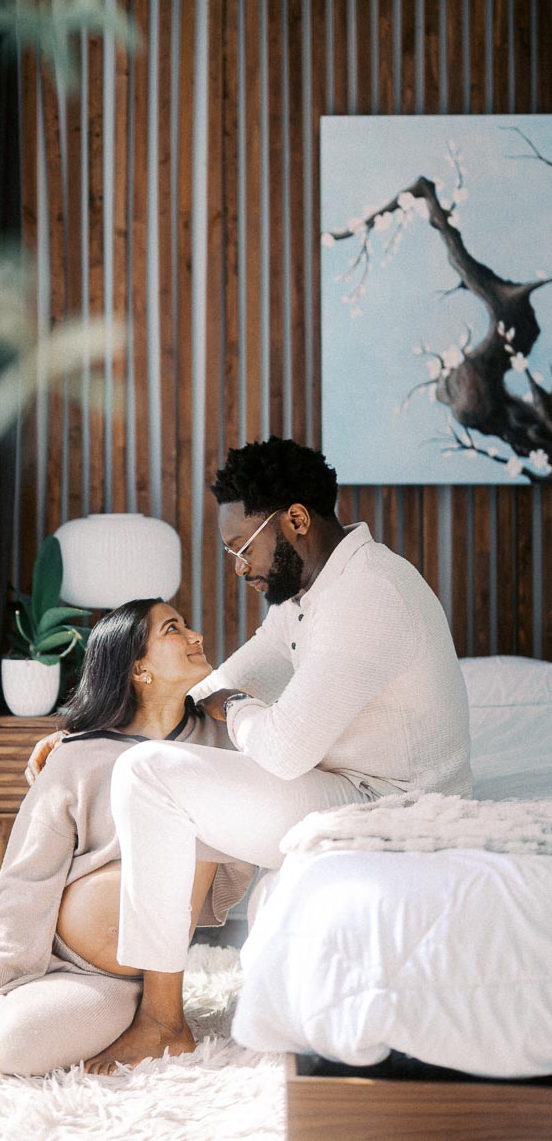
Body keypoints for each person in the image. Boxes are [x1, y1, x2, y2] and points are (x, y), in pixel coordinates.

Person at [28, 436, 472, 1074]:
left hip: (397, 807)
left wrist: (235, 707)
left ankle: (160, 1021)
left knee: (150, 774)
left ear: (296, 520)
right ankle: (121, 992)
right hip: (351, 787)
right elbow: (214, 686)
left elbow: (280, 745)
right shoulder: (309, 596)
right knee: (151, 776)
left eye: (242, 546)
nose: (239, 567)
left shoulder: (369, 596)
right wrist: (88, 736)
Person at [0, 598, 253, 1077]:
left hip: (112, 979)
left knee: (10, 1047)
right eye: (173, 629)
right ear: (138, 668)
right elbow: (24, 880)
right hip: (33, 940)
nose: (196, 635)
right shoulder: (77, 757)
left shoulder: (223, 745)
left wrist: (233, 704)